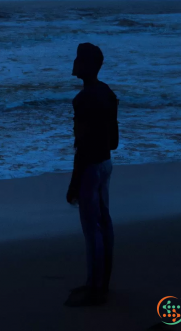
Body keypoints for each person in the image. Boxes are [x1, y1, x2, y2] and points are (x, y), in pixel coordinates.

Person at [64, 43, 119, 307]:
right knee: (104, 223)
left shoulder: (82, 100)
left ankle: (94, 288)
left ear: (86, 65)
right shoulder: (107, 93)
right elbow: (114, 141)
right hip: (106, 164)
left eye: (77, 59)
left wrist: (73, 183)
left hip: (89, 167)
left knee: (91, 230)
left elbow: (82, 145)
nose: (73, 63)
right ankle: (101, 283)